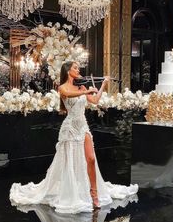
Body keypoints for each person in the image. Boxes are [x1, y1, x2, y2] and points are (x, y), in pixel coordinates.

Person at [10, 61, 138, 214]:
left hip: (82, 125)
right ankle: (74, 193)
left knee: (90, 159)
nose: (79, 70)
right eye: (75, 68)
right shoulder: (62, 87)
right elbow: (68, 94)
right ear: (68, 70)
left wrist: (103, 84)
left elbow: (95, 101)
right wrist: (85, 92)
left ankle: (94, 192)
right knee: (70, 161)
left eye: (78, 68)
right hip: (70, 127)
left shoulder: (81, 86)